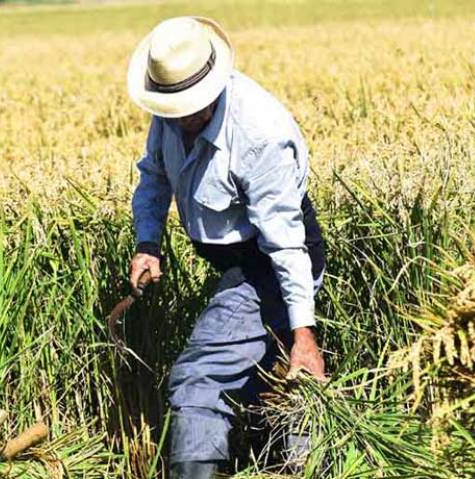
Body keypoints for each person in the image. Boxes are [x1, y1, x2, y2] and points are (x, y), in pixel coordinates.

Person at [126, 16, 326, 478]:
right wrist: (148, 242)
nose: (177, 118)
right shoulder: (170, 113)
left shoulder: (259, 134)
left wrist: (305, 335)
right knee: (277, 386)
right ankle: (309, 466)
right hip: (234, 264)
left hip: (268, 263)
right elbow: (154, 179)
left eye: (186, 107)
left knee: (199, 378)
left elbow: (287, 244)